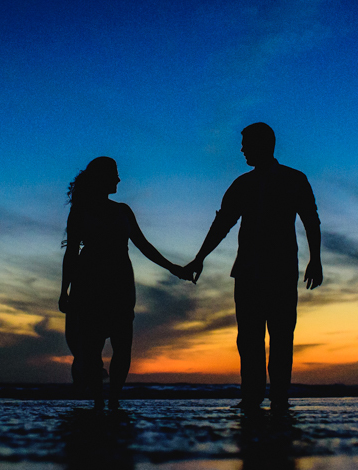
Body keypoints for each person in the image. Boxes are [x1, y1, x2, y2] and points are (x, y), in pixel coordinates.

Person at [187, 123, 322, 410]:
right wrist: (200, 257)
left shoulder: (294, 179)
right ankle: (252, 395)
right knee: (249, 337)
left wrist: (316, 259)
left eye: (246, 143)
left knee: (282, 335)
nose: (242, 148)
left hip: (281, 271)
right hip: (248, 271)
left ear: (265, 144)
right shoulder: (242, 184)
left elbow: (311, 219)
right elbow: (222, 223)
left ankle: (279, 396)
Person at [59, 156, 189, 409]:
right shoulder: (80, 212)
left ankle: (114, 398)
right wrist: (64, 291)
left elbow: (144, 245)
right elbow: (71, 253)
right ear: (102, 178)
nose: (119, 179)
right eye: (115, 174)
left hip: (120, 283)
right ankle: (98, 401)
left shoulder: (123, 211)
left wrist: (173, 268)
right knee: (91, 347)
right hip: (89, 283)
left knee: (122, 343)